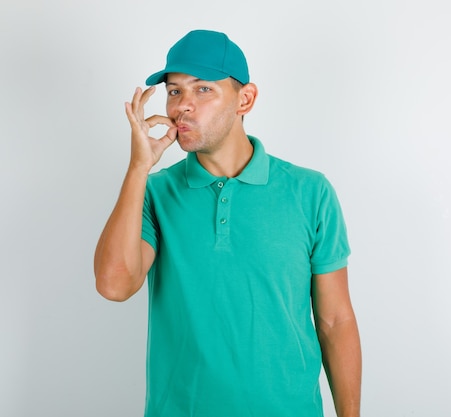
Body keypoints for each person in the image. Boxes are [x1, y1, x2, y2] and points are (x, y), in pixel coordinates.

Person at [94, 29, 361, 417]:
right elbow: (115, 285)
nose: (182, 105)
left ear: (245, 99)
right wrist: (139, 168)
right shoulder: (154, 193)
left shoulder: (310, 192)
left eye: (203, 90)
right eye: (174, 91)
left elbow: (335, 320)